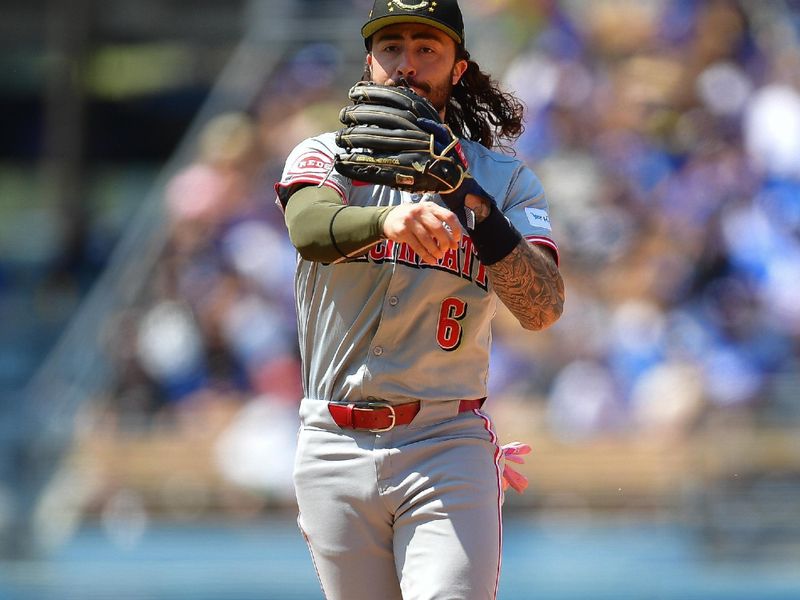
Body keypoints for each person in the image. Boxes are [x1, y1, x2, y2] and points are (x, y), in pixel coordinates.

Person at [274, 1, 565, 598]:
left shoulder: (503, 179)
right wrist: (386, 222)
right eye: (391, 47)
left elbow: (541, 307)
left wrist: (466, 197)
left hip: (444, 441)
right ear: (369, 62)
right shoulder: (324, 155)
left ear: (458, 67)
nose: (406, 64)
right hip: (333, 443)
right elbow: (308, 229)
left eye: (426, 48)